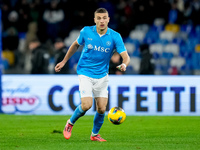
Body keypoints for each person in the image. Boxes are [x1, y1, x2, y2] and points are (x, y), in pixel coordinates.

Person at [55, 8, 130, 142]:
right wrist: (64, 61)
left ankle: (94, 134)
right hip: (85, 72)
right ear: (94, 20)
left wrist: (124, 64)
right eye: (99, 18)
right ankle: (70, 123)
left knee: (101, 108)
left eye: (104, 18)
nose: (102, 21)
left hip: (102, 75)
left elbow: (125, 56)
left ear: (108, 19)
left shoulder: (115, 36)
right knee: (87, 105)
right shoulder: (86, 31)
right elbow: (75, 45)